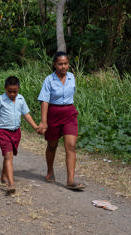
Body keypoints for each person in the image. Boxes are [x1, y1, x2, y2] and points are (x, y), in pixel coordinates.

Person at [37, 51, 85, 190]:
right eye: (60, 64)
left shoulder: (71, 77)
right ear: (54, 64)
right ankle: (50, 170)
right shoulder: (49, 80)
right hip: (54, 113)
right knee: (52, 145)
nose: (63, 67)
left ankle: (70, 180)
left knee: (70, 145)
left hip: (69, 113)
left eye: (65, 64)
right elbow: (45, 101)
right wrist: (44, 121)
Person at [0, 76, 39, 195]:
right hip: (3, 132)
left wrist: (35, 127)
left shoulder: (21, 99)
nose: (12, 94)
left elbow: (26, 114)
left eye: (15, 91)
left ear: (18, 89)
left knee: (9, 155)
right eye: (10, 91)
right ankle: (11, 184)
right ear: (5, 89)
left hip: (16, 132)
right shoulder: (0, 99)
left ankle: (4, 175)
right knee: (9, 156)